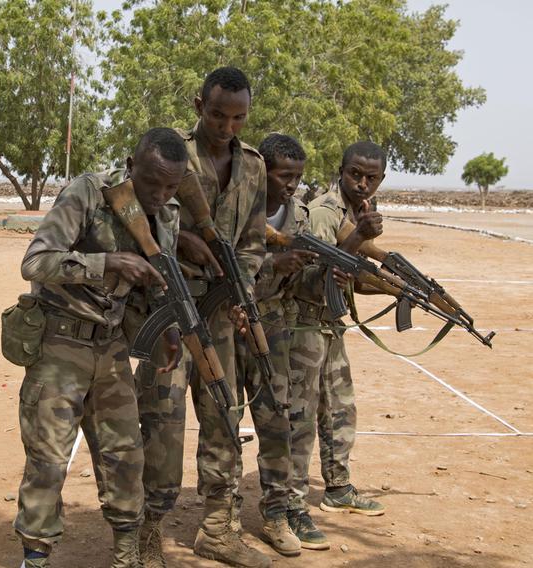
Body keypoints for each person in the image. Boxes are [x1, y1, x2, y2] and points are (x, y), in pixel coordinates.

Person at [14, 127, 187, 568]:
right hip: (60, 344)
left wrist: (167, 327)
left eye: (171, 186)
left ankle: (127, 555)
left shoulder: (168, 213)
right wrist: (106, 262)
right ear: (131, 168)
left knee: (125, 456)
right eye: (152, 184)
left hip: (111, 347)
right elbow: (35, 261)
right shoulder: (88, 193)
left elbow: (154, 281)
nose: (160, 195)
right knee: (48, 460)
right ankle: (35, 556)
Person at [137, 66, 270, 568]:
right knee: (161, 426)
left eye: (238, 117)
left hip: (218, 314)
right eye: (217, 114)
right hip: (168, 310)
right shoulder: (170, 153)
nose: (227, 126)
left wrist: (243, 284)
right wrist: (182, 239)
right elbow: (137, 213)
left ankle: (219, 528)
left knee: (223, 417)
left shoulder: (254, 167)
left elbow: (254, 242)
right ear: (199, 106)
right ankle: (147, 535)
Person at [286, 141, 387, 549]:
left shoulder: (358, 212)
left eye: (371, 178)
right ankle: (291, 507)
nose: (362, 183)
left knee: (340, 411)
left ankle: (338, 487)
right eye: (355, 175)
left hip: (331, 325)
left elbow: (354, 277)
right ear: (341, 171)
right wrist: (359, 237)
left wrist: (394, 286)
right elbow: (316, 276)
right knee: (300, 420)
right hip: (305, 327)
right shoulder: (326, 212)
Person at [225, 134, 319, 558]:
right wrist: (271, 263)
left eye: (298, 178)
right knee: (223, 421)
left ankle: (276, 514)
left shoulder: (299, 217)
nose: (292, 185)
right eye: (285, 176)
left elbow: (303, 283)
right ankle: (225, 511)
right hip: (227, 324)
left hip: (274, 328)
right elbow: (218, 264)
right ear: (263, 170)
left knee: (276, 422)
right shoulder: (234, 205)